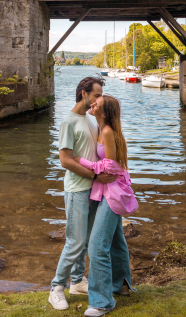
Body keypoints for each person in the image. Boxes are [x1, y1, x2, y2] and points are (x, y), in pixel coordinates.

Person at [49, 77, 117, 311]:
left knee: (85, 240)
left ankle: (77, 281)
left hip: (94, 191)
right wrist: (95, 176)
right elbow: (65, 160)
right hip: (78, 189)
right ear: (84, 94)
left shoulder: (90, 120)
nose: (99, 99)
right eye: (96, 95)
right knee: (75, 241)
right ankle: (56, 287)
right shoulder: (69, 122)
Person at [73, 95, 138, 317]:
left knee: (97, 245)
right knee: (116, 240)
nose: (92, 104)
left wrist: (80, 161)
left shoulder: (108, 131)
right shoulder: (99, 128)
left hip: (113, 193)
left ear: (105, 113)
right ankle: (119, 285)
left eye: (96, 104)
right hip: (107, 191)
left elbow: (109, 167)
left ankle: (102, 302)